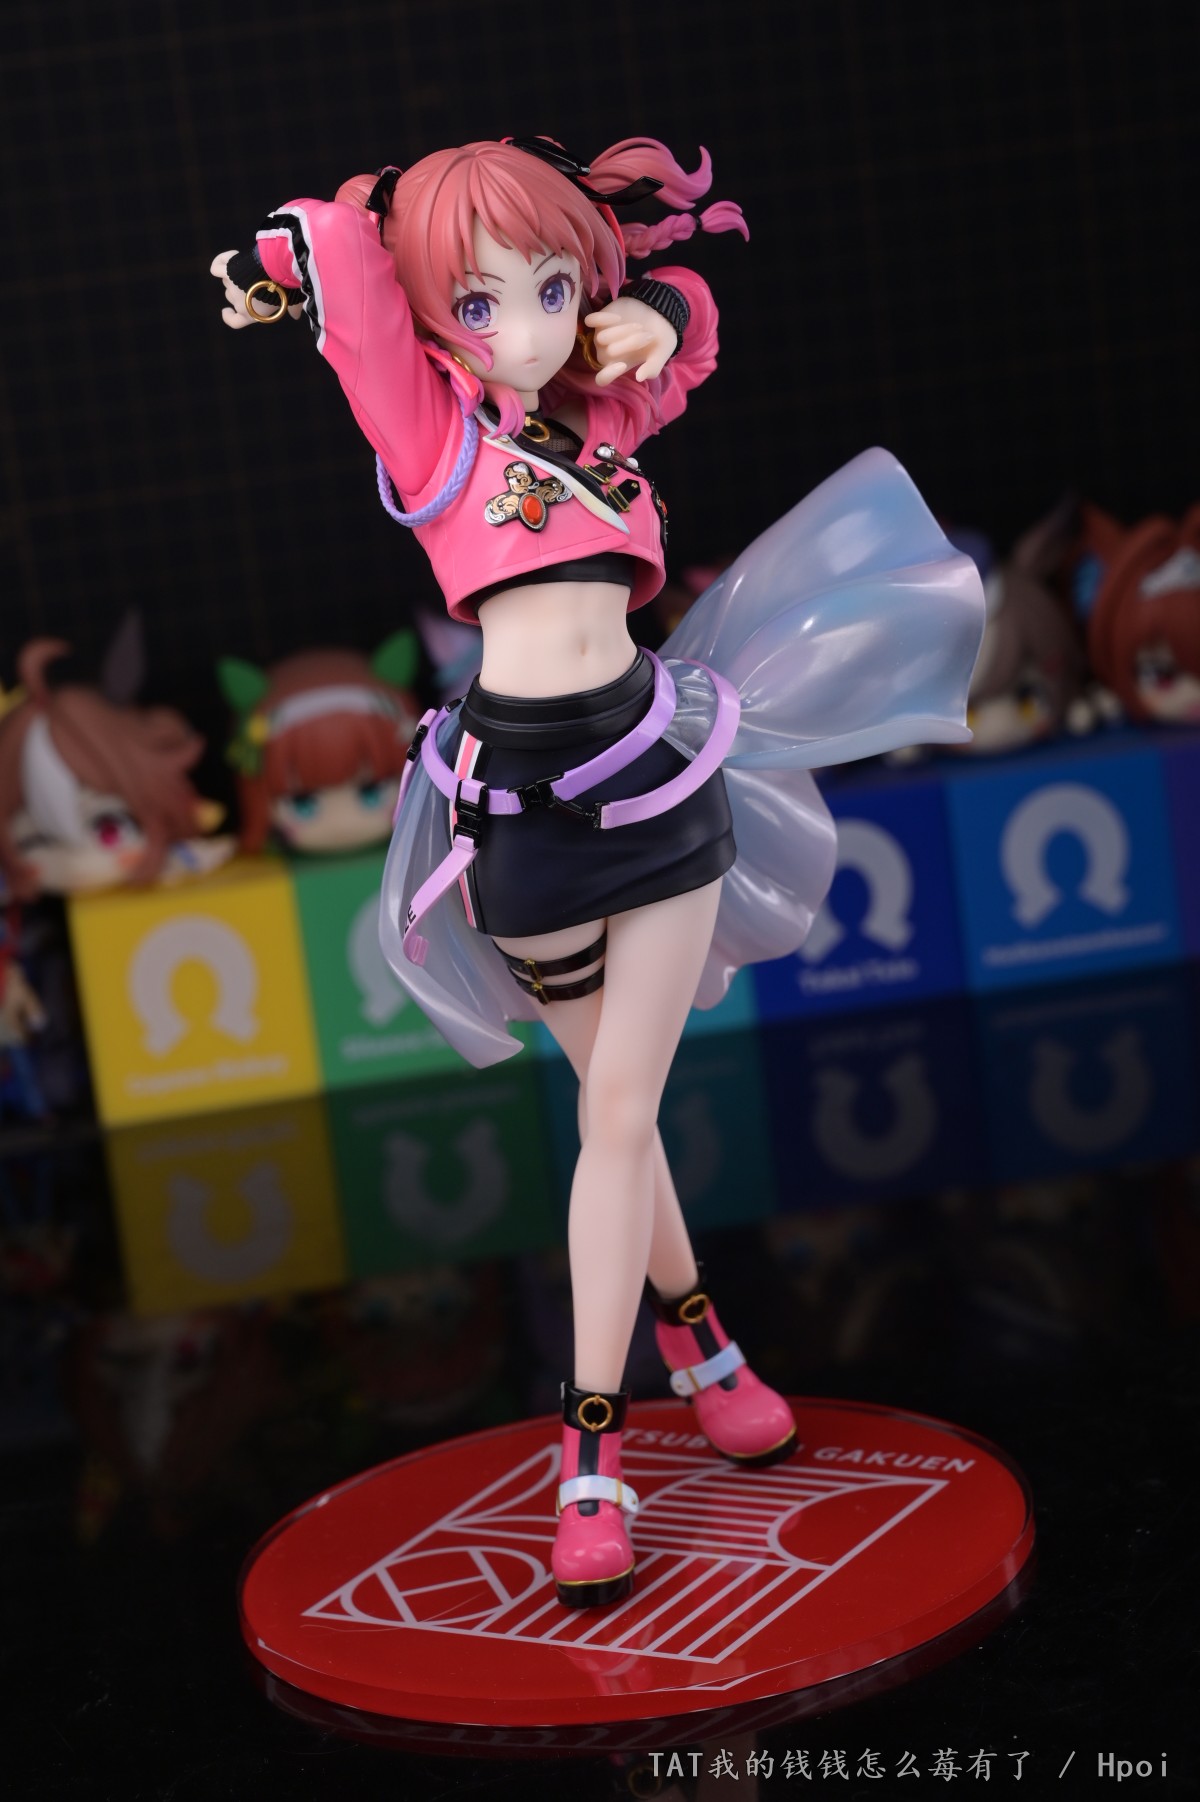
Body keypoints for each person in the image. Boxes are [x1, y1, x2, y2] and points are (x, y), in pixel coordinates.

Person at [212, 134, 984, 1609]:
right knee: (611, 1116)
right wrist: (290, 254)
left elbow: (694, 327)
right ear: (436, 316)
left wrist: (662, 312)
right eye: (479, 301)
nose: (523, 325)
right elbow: (346, 264)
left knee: (619, 1114)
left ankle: (592, 1451)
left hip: (655, 766)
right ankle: (705, 1343)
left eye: (551, 287)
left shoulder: (602, 410)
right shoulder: (429, 432)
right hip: (518, 807)